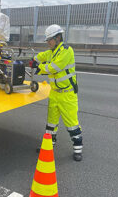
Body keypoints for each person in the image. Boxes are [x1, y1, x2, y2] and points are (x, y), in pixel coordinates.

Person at [32, 24, 83, 161]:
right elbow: (43, 55)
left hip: (67, 94)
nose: (48, 42)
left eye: (50, 39)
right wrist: (34, 59)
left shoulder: (66, 51)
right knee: (51, 123)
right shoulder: (52, 51)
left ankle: (78, 149)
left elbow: (55, 67)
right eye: (48, 40)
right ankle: (49, 145)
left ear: (58, 38)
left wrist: (39, 67)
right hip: (54, 93)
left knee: (71, 123)